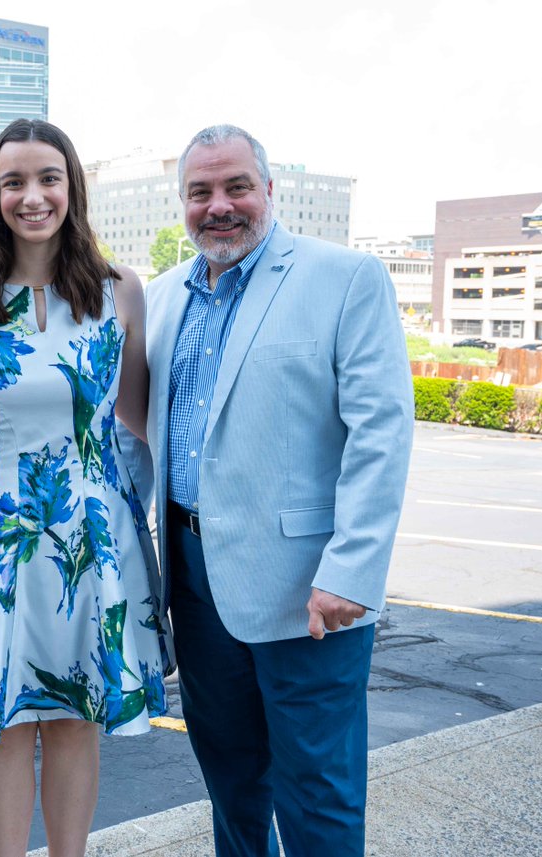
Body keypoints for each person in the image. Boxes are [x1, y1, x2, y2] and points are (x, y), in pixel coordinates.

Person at [143, 124, 414, 856]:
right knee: (231, 786)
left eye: (236, 186)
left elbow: (380, 434)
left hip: (311, 592)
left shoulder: (345, 278)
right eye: (200, 192)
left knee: (318, 792)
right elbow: (142, 436)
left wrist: (352, 569)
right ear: (183, 203)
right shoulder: (160, 297)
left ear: (269, 190)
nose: (219, 206)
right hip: (196, 589)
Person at [0, 118, 173, 857]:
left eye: (47, 179)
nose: (31, 197)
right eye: (14, 181)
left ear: (72, 187)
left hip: (92, 532)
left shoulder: (119, 289)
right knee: (0, 718)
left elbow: (136, 417)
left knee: (76, 715)